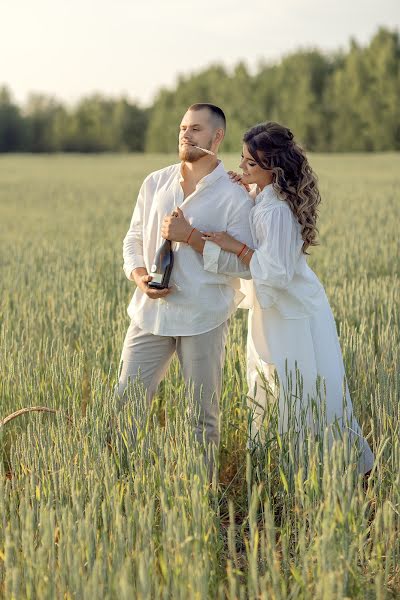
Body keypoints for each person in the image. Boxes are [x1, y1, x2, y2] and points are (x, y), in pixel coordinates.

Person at [199, 121, 374, 476]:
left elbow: (276, 272)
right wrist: (246, 189)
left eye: (251, 164)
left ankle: (325, 470)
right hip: (281, 306)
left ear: (273, 169)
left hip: (291, 309)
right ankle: (293, 468)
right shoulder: (266, 197)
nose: (242, 168)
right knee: (281, 385)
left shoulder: (275, 208)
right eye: (243, 160)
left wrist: (237, 247)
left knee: (301, 389)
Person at [116, 103, 253, 479]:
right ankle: (123, 488)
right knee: (126, 404)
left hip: (204, 315)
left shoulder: (235, 197)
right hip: (150, 312)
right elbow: (133, 237)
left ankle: (200, 499)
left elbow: (245, 266)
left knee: (201, 417)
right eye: (182, 128)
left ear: (217, 136)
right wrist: (139, 274)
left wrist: (191, 239)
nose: (185, 135)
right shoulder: (155, 182)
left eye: (195, 129)